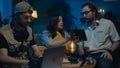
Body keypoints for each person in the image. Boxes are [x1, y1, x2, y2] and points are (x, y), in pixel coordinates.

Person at [0, 1, 42, 68]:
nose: (29, 21)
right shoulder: (3, 32)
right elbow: (3, 57)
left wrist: (41, 58)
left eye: (30, 18)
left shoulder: (29, 30)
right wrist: (27, 62)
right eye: (25, 17)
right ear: (16, 17)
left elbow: (36, 50)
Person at [78, 2, 120, 68]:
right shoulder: (81, 28)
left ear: (94, 12)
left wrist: (109, 51)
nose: (84, 16)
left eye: (86, 13)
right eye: (82, 14)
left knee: (105, 65)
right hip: (88, 55)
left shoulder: (107, 23)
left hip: (102, 54)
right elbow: (80, 47)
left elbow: (117, 41)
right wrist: (83, 57)